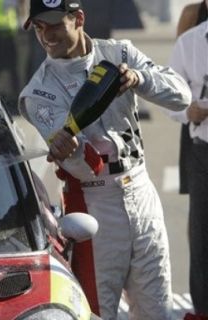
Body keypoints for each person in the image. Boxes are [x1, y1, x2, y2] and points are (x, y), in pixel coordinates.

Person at [18, 0, 192, 319]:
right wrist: (68, 149)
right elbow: (83, 163)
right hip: (94, 208)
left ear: (79, 18)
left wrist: (140, 80)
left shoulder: (119, 53)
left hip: (141, 192)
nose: (47, 36)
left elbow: (182, 95)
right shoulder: (37, 93)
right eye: (40, 27)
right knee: (99, 311)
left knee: (158, 310)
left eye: (56, 24)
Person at [166, 1, 208, 318]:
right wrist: (189, 111)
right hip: (199, 133)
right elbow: (177, 87)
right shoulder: (193, 23)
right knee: (200, 222)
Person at [176, 1, 208, 196]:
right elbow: (179, 72)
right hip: (198, 120)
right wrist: (189, 110)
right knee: (198, 198)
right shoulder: (193, 13)